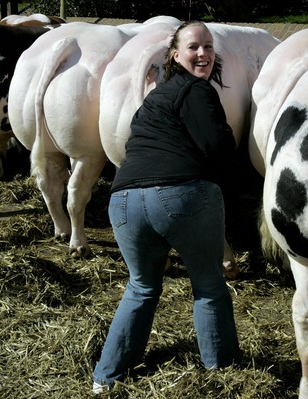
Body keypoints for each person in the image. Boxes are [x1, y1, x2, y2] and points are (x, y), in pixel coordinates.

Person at [92, 21, 240, 394]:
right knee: (208, 286)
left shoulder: (153, 99)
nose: (203, 53)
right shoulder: (197, 90)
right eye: (193, 47)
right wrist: (239, 189)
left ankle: (106, 378)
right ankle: (222, 374)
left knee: (141, 287)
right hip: (181, 195)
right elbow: (217, 147)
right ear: (176, 55)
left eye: (208, 46)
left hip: (123, 201)